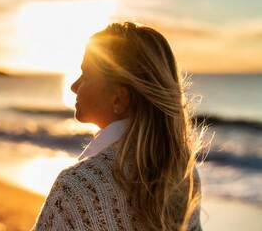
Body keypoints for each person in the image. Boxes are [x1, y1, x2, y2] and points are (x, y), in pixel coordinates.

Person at [32, 22, 203, 231]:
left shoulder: (76, 187)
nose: (73, 86)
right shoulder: (182, 171)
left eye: (85, 76)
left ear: (119, 99)